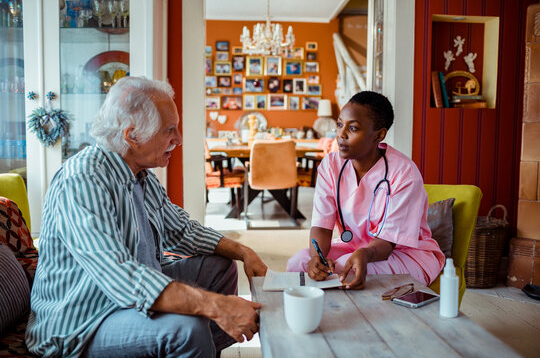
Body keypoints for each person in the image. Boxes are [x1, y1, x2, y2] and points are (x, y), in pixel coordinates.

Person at [26, 77, 268, 357]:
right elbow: (122, 277)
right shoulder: (82, 180)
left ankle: (201, 351)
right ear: (132, 135)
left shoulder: (141, 176)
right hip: (82, 323)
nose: (178, 139)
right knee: (187, 329)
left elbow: (182, 232)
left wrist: (243, 251)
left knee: (220, 267)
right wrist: (217, 306)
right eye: (169, 130)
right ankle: (193, 344)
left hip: (121, 298)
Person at [287, 91, 445, 289]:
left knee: (346, 269)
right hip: (353, 248)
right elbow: (322, 226)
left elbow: (387, 245)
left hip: (405, 254)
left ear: (379, 135)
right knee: (298, 264)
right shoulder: (330, 166)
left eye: (352, 128)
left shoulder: (404, 173)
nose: (341, 134)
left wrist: (365, 254)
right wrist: (316, 258)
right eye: (339, 124)